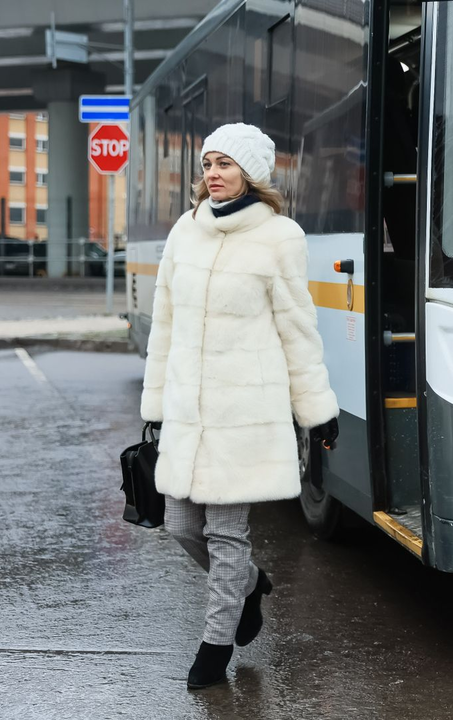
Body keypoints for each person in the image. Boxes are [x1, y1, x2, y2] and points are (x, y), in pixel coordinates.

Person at [139, 123, 340, 690]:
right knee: (179, 524)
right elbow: (166, 324)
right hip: (187, 411)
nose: (212, 175)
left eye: (224, 164)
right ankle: (251, 586)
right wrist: (155, 401)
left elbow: (298, 329)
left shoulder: (281, 237)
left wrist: (316, 408)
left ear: (250, 173)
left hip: (243, 414)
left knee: (227, 535)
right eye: (207, 164)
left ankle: (215, 645)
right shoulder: (186, 230)